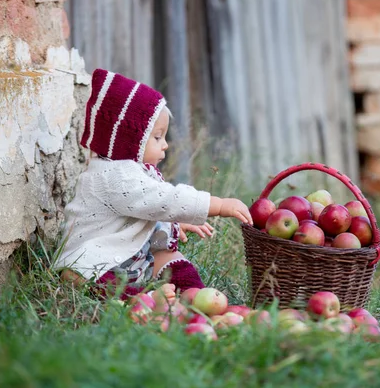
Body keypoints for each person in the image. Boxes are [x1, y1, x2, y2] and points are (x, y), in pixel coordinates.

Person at [54, 68, 253, 306]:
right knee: (80, 275)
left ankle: (197, 294)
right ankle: (142, 301)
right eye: (157, 137)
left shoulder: (135, 171)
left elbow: (145, 209)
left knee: (169, 256)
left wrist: (172, 222)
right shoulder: (113, 176)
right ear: (128, 141)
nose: (166, 145)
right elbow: (161, 199)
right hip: (97, 261)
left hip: (130, 259)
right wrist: (217, 205)